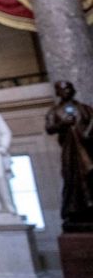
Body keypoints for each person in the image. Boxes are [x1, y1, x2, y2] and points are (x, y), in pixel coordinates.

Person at [44, 81, 93, 229]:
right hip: (70, 151)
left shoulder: (85, 108)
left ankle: (90, 206)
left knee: (90, 174)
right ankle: (74, 210)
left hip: (87, 147)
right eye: (62, 89)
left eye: (68, 88)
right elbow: (50, 128)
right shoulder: (54, 111)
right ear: (58, 92)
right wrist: (63, 124)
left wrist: (87, 133)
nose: (66, 91)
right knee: (72, 177)